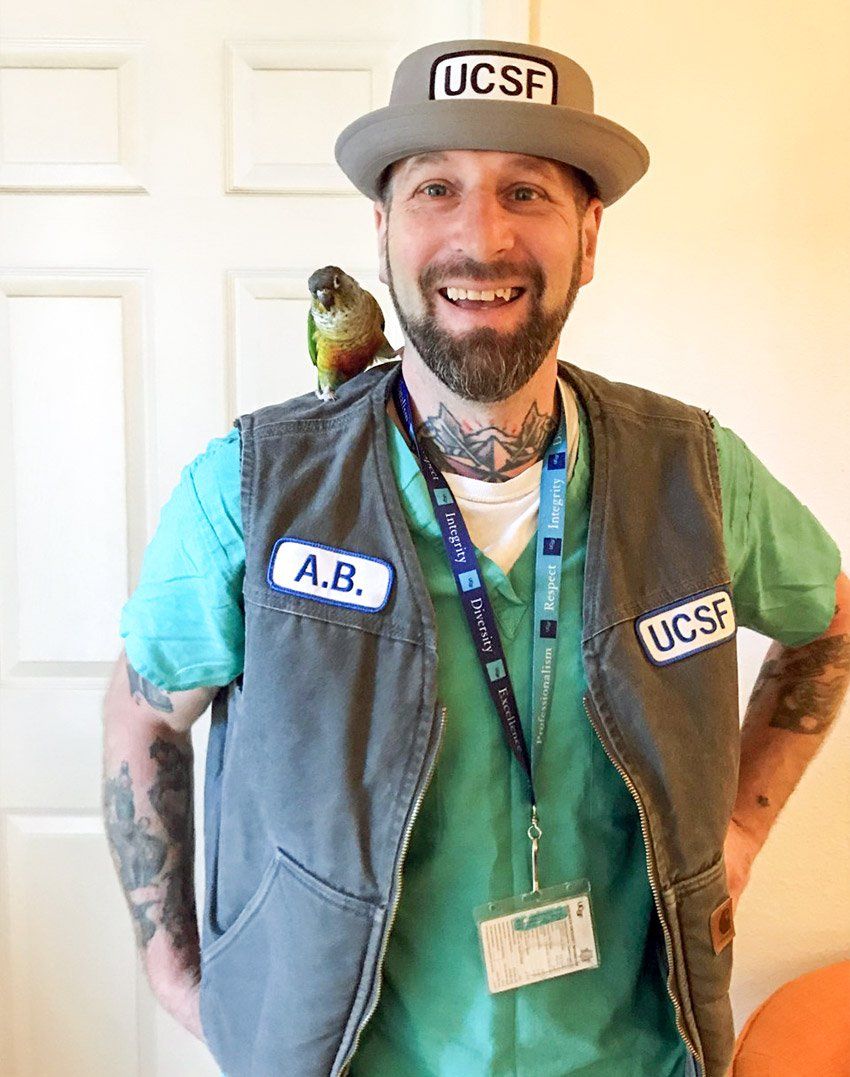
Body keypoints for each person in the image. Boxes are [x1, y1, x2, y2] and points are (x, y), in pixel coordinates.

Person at [102, 38, 850, 1077]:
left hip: (638, 1058)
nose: (479, 237)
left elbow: (827, 626)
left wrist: (743, 831)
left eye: (527, 193)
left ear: (589, 237)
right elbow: (144, 707)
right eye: (436, 188)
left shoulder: (696, 473)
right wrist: (169, 961)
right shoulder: (251, 488)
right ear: (383, 233)